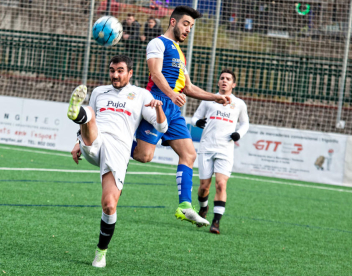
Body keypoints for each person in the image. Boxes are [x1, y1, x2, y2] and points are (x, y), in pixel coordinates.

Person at [131, 6, 231, 227]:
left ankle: (184, 205)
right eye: (186, 24)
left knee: (189, 154)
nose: (188, 30)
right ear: (173, 22)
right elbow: (155, 73)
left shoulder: (180, 52)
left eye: (191, 27)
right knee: (144, 156)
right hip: (157, 101)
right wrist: (170, 94)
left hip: (174, 108)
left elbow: (189, 87)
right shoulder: (158, 43)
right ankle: (117, 139)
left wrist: (215, 97)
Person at [68, 55, 168, 268]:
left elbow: (162, 128)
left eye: (120, 70)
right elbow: (89, 125)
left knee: (109, 205)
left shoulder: (141, 95)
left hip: (119, 149)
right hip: (95, 140)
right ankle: (77, 112)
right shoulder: (99, 92)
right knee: (91, 113)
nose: (115, 75)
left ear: (130, 73)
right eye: (112, 70)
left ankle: (101, 252)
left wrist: (158, 108)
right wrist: (78, 141)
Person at [191, 69, 249, 234]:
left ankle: (216, 222)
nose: (224, 81)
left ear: (233, 84)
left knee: (221, 184)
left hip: (225, 149)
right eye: (222, 78)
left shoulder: (239, 104)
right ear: (218, 82)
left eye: (228, 79)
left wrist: (239, 134)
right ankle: (204, 207)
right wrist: (198, 122)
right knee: (204, 187)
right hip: (206, 148)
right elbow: (194, 118)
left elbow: (245, 124)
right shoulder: (209, 101)